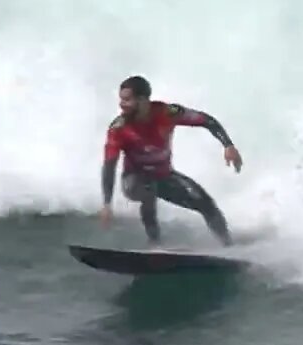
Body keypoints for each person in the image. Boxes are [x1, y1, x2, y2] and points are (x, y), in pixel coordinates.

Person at [98, 75, 242, 246]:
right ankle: (155, 244)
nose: (122, 105)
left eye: (127, 100)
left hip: (164, 176)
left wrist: (228, 146)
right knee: (148, 188)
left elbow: (206, 120)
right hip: (134, 180)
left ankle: (228, 246)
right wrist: (107, 203)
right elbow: (109, 165)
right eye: (121, 99)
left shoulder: (167, 113)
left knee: (205, 202)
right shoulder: (119, 129)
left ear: (143, 100)